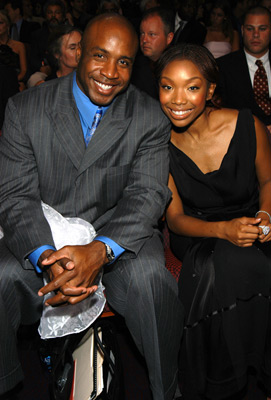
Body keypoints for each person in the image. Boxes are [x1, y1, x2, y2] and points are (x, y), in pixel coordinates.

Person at [0, 13, 183, 400]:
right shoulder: (24, 109)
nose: (111, 72)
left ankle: (166, 389)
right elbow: (15, 196)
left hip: (117, 235)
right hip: (45, 234)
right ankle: (9, 384)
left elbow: (148, 194)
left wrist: (99, 251)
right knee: (0, 276)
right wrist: (48, 257)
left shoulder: (149, 116)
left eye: (124, 62)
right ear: (79, 52)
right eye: (100, 55)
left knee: (152, 282)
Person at [156, 42, 271, 399]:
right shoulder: (157, 143)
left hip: (252, 218)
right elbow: (174, 220)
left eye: (192, 86)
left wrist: (266, 215)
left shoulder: (248, 126)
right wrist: (223, 230)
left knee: (239, 259)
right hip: (198, 231)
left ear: (210, 90)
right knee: (220, 262)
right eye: (166, 85)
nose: (177, 98)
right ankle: (235, 377)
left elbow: (268, 180)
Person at [216, 6, 271, 131]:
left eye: (262, 29)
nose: (255, 35)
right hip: (241, 140)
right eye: (250, 29)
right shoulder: (223, 67)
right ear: (242, 30)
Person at [131, 6, 174, 98]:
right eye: (142, 33)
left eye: (152, 34)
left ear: (169, 38)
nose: (144, 40)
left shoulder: (178, 67)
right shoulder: (134, 67)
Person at [0, 10, 27, 89]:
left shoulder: (19, 46)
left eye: (0, 23)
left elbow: (24, 71)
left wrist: (11, 81)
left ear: (8, 25)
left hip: (15, 81)